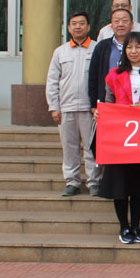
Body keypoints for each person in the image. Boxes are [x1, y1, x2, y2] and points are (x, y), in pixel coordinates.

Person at [96, 32, 140, 244]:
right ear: (124, 50)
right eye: (129, 47)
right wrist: (102, 113)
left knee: (139, 185)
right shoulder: (114, 75)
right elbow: (108, 102)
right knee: (120, 184)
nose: (134, 51)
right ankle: (123, 226)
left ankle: (136, 225)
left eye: (138, 47)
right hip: (120, 138)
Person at [46, 12, 100, 197]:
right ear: (68, 28)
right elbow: (52, 81)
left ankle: (94, 182)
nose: (78, 27)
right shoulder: (60, 52)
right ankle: (72, 182)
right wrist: (54, 107)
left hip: (89, 109)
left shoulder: (97, 48)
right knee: (69, 148)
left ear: (88, 27)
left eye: (82, 23)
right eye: (74, 24)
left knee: (91, 148)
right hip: (66, 108)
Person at [88, 8, 134, 116]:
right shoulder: (102, 47)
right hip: (108, 100)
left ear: (132, 24)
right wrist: (94, 104)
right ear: (111, 25)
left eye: (124, 21)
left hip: (135, 103)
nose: (120, 24)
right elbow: (93, 76)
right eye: (116, 21)